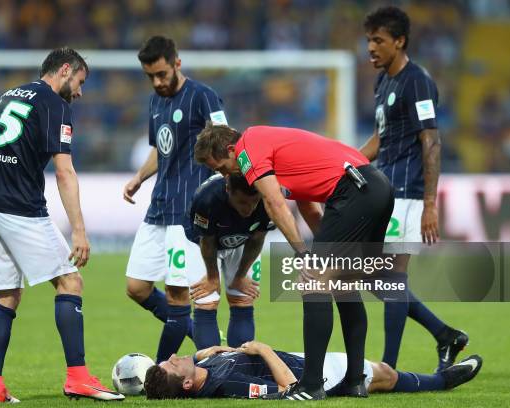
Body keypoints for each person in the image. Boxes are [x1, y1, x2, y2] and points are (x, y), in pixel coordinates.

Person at [194, 123, 394, 400]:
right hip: (376, 187)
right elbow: (309, 207)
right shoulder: (274, 150)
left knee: (314, 285)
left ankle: (311, 385)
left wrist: (305, 256)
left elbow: (273, 203)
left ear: (231, 149)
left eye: (222, 167)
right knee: (345, 286)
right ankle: (355, 381)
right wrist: (322, 250)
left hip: (353, 192)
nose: (224, 175)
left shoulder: (248, 148)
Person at [0, 47, 123, 402]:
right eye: (80, 82)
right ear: (65, 70)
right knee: (70, 281)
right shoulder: (55, 104)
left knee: (8, 295)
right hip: (19, 208)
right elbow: (64, 171)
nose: (80, 91)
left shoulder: (8, 94)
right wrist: (80, 231)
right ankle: (78, 377)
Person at [361, 6, 468, 372]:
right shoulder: (383, 82)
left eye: (378, 40)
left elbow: (431, 142)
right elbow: (381, 138)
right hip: (384, 192)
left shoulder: (417, 81)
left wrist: (429, 205)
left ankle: (388, 367)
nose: (370, 48)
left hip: (407, 194)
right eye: (368, 40)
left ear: (399, 41)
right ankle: (444, 333)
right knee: (371, 275)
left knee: (391, 279)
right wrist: (347, 164)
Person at [123, 36, 228, 363]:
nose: (157, 82)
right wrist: (140, 177)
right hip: (159, 205)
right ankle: (201, 339)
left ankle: (206, 365)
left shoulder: (202, 96)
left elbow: (226, 141)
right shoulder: (156, 103)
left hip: (189, 211)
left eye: (162, 74)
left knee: (184, 294)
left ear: (177, 64)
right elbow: (160, 148)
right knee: (136, 287)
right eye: (150, 76)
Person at [144, 340, 482, 399]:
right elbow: (289, 389)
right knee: (384, 376)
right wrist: (261, 349)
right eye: (172, 363)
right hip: (312, 374)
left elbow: (205, 357)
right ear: (187, 384)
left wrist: (212, 351)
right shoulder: (226, 385)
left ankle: (438, 377)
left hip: (300, 357)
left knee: (380, 373)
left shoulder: (202, 367)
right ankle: (443, 380)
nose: (175, 355)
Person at [186, 174, 275, 349]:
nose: (249, 209)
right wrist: (212, 277)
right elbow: (207, 241)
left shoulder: (269, 197)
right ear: (228, 190)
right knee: (206, 301)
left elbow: (257, 239)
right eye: (242, 202)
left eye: (253, 202)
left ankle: (238, 368)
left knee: (242, 298)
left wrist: (240, 276)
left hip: (243, 240)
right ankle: (212, 369)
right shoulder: (207, 199)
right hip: (200, 242)